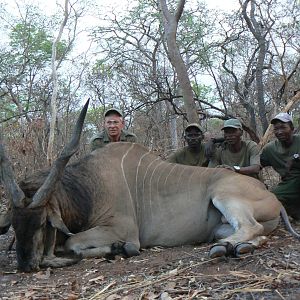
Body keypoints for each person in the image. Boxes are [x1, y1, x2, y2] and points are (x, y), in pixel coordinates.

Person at [260, 112, 300, 220]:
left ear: (292, 128)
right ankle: (293, 209)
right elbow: (257, 165)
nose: (279, 132)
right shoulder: (270, 149)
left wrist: (295, 157)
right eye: (276, 129)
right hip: (288, 185)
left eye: (283, 127)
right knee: (271, 199)